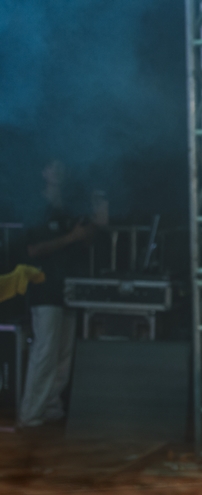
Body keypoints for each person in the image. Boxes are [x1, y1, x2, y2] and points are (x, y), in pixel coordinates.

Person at [19, 159, 105, 428]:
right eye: (52, 166)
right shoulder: (35, 206)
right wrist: (72, 237)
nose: (58, 170)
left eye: (62, 166)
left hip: (69, 289)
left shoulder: (69, 209)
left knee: (64, 355)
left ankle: (51, 409)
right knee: (45, 352)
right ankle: (30, 414)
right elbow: (33, 250)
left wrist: (94, 221)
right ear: (43, 172)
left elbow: (88, 240)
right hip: (44, 289)